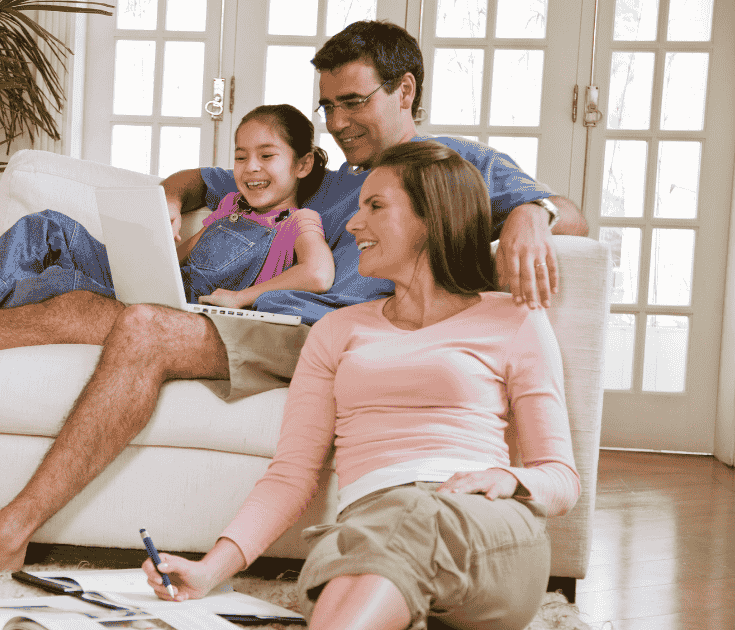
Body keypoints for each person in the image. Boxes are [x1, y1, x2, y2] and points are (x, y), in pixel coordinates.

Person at [0, 19, 587, 573]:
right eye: (327, 105)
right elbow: (211, 175)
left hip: (324, 335)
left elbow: (569, 210)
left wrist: (534, 218)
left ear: (406, 92)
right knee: (83, 308)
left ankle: (8, 529)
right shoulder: (327, 176)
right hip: (256, 319)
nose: (335, 120)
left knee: (145, 327)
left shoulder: (453, 162)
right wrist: (168, 205)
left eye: (354, 101)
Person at [141, 140, 579, 630]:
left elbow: (561, 479)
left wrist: (510, 479)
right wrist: (208, 570)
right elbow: (291, 475)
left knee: (408, 517)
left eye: (375, 206)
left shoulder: (513, 318)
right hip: (368, 531)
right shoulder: (336, 330)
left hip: (485, 529)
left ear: (432, 218)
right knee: (366, 546)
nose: (351, 223)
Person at [0, 104, 335, 313]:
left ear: (301, 165)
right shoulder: (229, 206)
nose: (251, 167)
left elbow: (317, 274)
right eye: (241, 157)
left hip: (180, 306)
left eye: (266, 156)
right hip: (148, 282)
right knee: (46, 224)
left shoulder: (299, 221)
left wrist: (238, 298)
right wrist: (151, 245)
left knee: (62, 284)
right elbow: (178, 260)